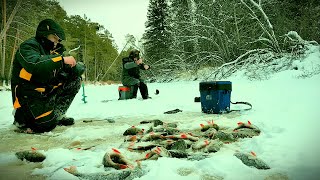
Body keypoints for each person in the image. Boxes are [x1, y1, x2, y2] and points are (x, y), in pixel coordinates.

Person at [10, 19, 85, 133]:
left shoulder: (53, 52)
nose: (56, 42)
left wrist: (76, 67)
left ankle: (57, 115)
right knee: (45, 127)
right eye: (54, 38)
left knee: (74, 80)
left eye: (58, 40)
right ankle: (21, 120)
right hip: (26, 97)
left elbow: (63, 68)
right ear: (44, 34)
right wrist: (62, 60)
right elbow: (35, 64)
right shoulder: (28, 47)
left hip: (44, 94)